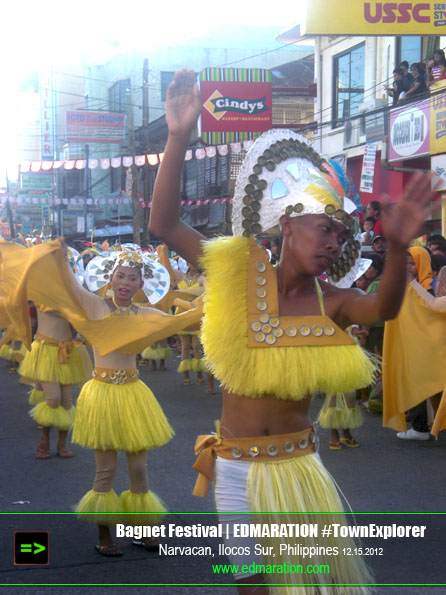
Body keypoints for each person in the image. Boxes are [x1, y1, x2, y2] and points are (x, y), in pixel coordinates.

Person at [148, 68, 439, 594]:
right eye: (323, 229)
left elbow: (388, 308)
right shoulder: (238, 273)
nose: (332, 243)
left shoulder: (338, 302)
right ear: (287, 225)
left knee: (305, 587)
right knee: (252, 587)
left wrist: (397, 247)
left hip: (298, 469)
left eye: (340, 234)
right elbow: (165, 226)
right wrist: (177, 137)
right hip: (234, 469)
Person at [19, 305, 92, 459]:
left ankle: (62, 444)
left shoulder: (69, 296)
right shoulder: (39, 294)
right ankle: (44, 440)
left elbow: (75, 327)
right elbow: (31, 322)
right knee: (53, 400)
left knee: (66, 403)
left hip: (67, 352)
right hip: (45, 351)